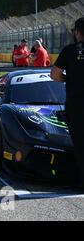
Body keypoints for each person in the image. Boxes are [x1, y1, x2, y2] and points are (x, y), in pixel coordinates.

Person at [51, 17, 84, 190]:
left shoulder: (70, 51)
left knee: (80, 144)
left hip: (77, 105)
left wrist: (68, 79)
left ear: (77, 32)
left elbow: (54, 74)